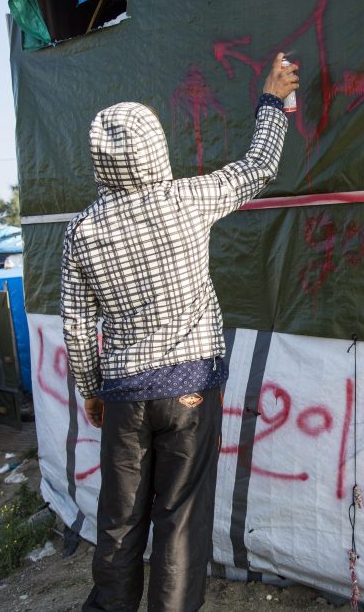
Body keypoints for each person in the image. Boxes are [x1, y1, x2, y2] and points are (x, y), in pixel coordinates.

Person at [61, 53, 299, 612]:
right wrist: (271, 101)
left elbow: (76, 325)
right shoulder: (185, 201)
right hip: (190, 389)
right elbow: (257, 168)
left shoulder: (81, 230)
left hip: (123, 394)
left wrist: (92, 390)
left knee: (118, 521)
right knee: (180, 524)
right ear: (155, 148)